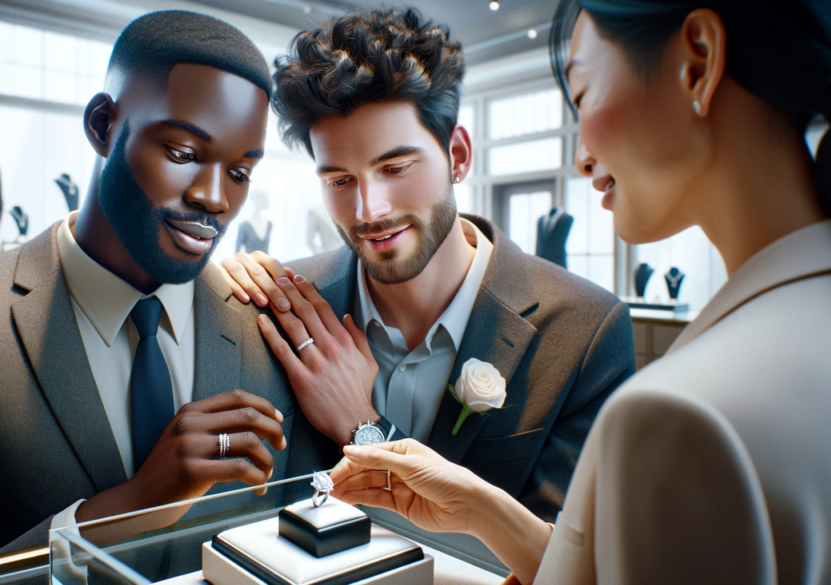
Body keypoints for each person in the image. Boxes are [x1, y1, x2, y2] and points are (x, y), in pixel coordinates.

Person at [329, 0, 831, 583]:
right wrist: (478, 507)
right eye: (340, 179)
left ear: (697, 62)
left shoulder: (677, 414)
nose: (581, 155)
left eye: (584, 94)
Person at [0, 11, 308, 582]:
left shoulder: (269, 323)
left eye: (240, 173)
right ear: (102, 125)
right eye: (182, 153)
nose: (214, 198)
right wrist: (125, 509)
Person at [220, 7, 637, 521]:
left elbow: (559, 564)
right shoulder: (285, 303)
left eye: (395, 167)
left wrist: (362, 426)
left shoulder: (585, 333)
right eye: (339, 181)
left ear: (458, 156)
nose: (368, 210)